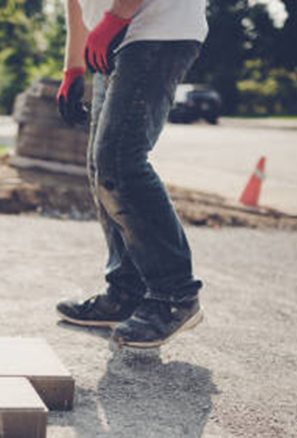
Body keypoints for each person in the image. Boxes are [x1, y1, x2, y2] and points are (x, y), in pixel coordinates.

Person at [55, 0, 208, 348]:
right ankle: (127, 292)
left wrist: (115, 18)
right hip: (114, 36)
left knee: (120, 162)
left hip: (157, 27)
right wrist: (73, 68)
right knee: (101, 168)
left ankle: (175, 296)